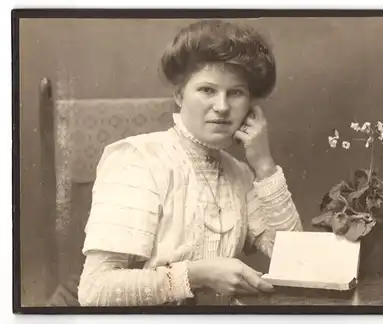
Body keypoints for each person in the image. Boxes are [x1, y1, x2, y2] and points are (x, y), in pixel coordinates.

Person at [76, 19, 303, 307]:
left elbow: (297, 263)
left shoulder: (241, 174)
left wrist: (264, 165)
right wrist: (197, 275)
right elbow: (95, 290)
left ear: (250, 106)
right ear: (179, 95)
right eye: (207, 90)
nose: (221, 107)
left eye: (235, 93)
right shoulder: (139, 159)